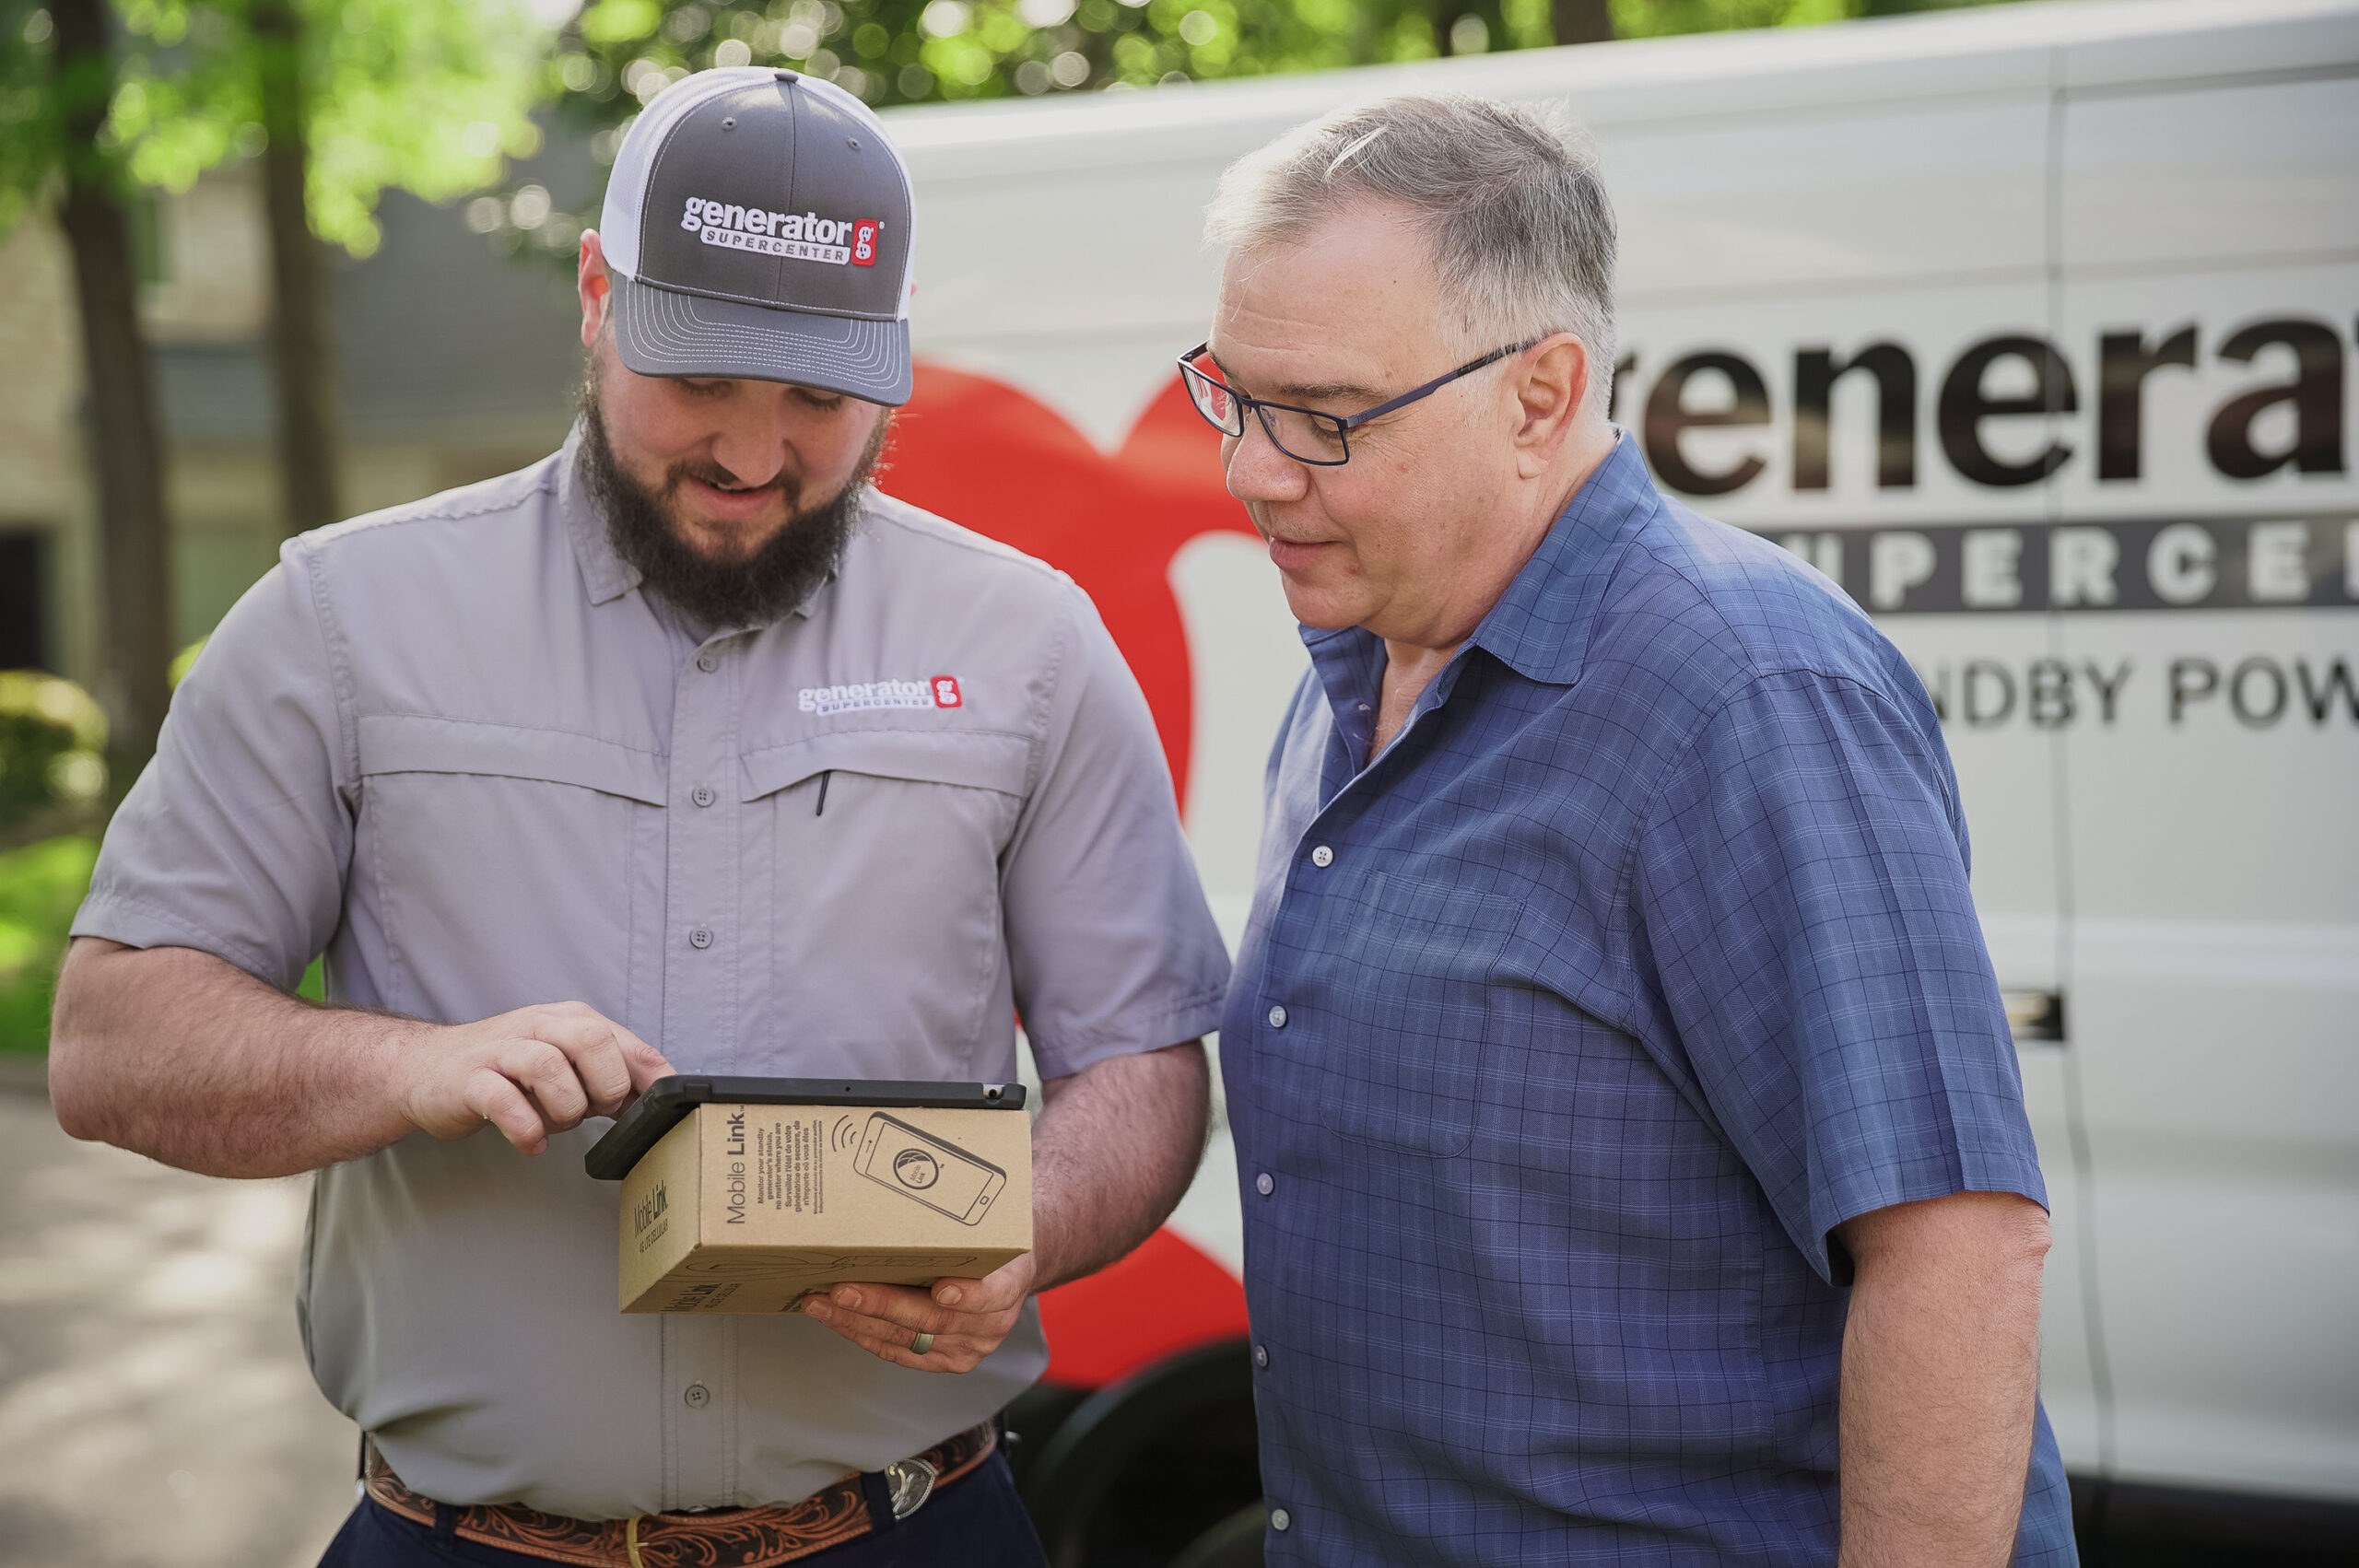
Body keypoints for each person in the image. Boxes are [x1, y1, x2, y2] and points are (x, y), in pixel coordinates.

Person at [49, 67, 1229, 1568]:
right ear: (597, 298)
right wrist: (409, 1065)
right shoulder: (340, 622)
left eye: (819, 400)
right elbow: (109, 1042)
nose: (753, 455)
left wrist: (1027, 1227)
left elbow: (1141, 1060)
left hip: (914, 1531)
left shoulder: (1030, 644)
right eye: (703, 380)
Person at [1189, 94, 2072, 1564]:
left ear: (1540, 395)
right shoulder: (1359, 655)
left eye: (1325, 417)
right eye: (1232, 394)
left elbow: (1956, 1250)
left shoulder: (1745, 690)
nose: (1251, 470)